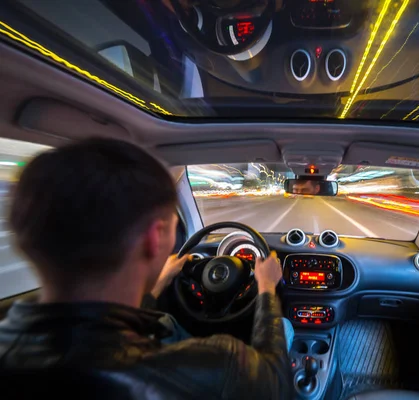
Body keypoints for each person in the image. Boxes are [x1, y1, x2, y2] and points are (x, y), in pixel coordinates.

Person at [0, 138, 292, 399]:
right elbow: (275, 383)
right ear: (154, 238)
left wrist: (158, 285)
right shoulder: (219, 363)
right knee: (292, 329)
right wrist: (266, 289)